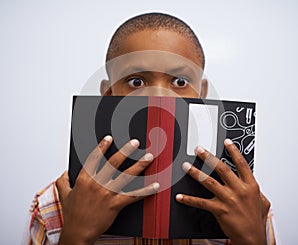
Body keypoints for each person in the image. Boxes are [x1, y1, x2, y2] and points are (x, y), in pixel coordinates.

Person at [25, 12, 276, 245]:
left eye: (179, 81)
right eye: (136, 81)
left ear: (203, 95)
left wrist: (252, 237)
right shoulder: (58, 203)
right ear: (109, 94)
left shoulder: (242, 203)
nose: (160, 98)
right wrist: (76, 235)